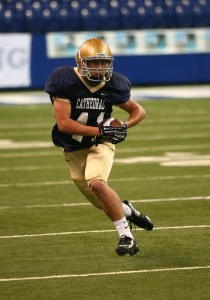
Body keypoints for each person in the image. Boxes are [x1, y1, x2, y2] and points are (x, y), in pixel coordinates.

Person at [44, 38, 153, 256]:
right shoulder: (64, 80)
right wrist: (100, 130)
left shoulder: (113, 84)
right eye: (94, 63)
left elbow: (138, 111)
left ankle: (126, 237)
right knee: (101, 202)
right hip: (73, 149)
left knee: (97, 184)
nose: (100, 68)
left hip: (100, 145)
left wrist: (122, 126)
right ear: (81, 61)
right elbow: (64, 124)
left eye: (103, 63)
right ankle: (128, 211)